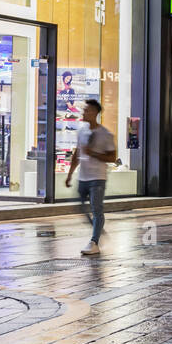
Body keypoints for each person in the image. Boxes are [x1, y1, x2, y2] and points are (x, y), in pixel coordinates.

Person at [65, 99, 117, 256]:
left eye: (87, 110)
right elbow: (77, 154)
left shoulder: (105, 134)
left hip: (98, 177)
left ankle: (94, 241)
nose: (83, 112)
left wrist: (93, 153)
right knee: (81, 208)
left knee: (96, 209)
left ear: (94, 112)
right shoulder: (81, 131)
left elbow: (112, 157)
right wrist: (69, 175)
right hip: (83, 177)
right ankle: (98, 230)